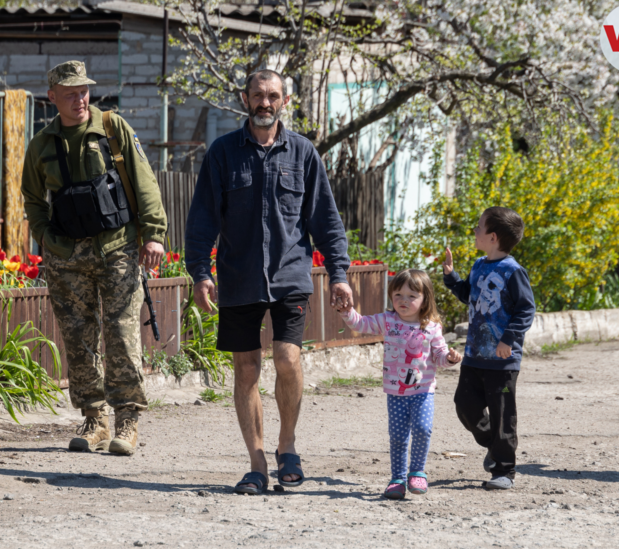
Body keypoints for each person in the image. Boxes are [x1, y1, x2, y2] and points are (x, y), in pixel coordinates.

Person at [185, 69, 353, 495]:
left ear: (285, 100)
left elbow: (326, 220)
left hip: (290, 273)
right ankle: (256, 463)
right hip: (240, 277)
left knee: (287, 358)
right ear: (245, 98)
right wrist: (201, 272)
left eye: (273, 95)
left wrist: (339, 274)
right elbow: (202, 218)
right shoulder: (223, 154)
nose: (265, 102)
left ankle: (287, 445)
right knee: (246, 368)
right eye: (258, 95)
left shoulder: (303, 153)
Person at [21, 60, 168, 456]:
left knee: (121, 333)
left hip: (117, 246)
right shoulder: (41, 145)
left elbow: (144, 179)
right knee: (78, 337)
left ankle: (128, 420)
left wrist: (153, 234)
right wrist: (45, 238)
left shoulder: (112, 128)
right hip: (66, 255)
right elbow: (33, 201)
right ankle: (94, 419)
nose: (79, 97)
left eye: (84, 90)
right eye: (70, 92)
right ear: (52, 97)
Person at [339, 269, 462, 500]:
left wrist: (451, 359)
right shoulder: (387, 321)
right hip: (395, 392)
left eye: (411, 296)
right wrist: (347, 312)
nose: (403, 301)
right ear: (391, 296)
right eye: (398, 295)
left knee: (423, 430)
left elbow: (440, 355)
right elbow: (361, 324)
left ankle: (417, 472)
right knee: (397, 436)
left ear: (425, 299)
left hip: (423, 391)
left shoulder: (432, 327)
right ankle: (397, 479)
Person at [442, 206, 536, 490]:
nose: (474, 230)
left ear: (493, 237)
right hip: (474, 356)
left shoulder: (513, 271)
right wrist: (452, 278)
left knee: (502, 415)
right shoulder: (479, 265)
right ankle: (493, 446)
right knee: (465, 406)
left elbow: (526, 309)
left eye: (479, 226)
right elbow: (470, 295)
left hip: (502, 361)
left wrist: (508, 339)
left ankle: (504, 471)